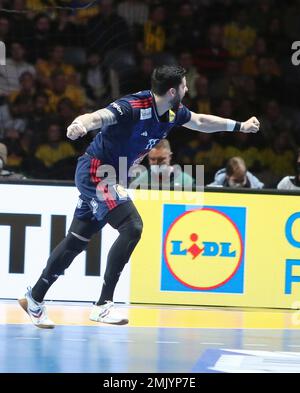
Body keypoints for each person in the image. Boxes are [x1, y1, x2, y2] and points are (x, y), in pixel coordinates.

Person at [18, 65, 260, 328]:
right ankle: (103, 305)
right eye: (184, 85)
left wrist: (241, 126)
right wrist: (81, 123)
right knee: (132, 226)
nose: (187, 89)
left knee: (77, 241)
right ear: (172, 90)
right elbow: (100, 116)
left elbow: (200, 121)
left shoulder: (171, 111)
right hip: (97, 172)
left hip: (112, 176)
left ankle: (34, 297)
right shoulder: (133, 105)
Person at [130, 139, 194, 190]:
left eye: (161, 159)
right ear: (148, 157)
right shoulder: (140, 181)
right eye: (153, 159)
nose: (157, 163)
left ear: (170, 156)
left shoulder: (186, 181)